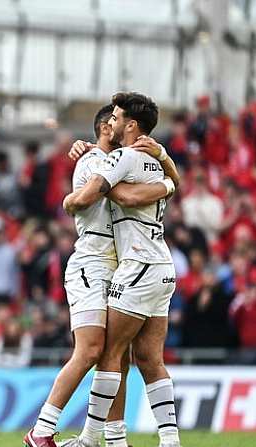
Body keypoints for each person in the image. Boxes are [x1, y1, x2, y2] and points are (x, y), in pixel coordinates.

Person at [25, 103, 179, 447]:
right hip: (92, 264)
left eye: (118, 118)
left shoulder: (123, 161)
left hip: (124, 266)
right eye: (111, 119)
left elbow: (107, 192)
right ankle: (43, 430)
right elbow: (89, 198)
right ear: (105, 129)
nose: (115, 123)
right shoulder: (95, 162)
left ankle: (113, 439)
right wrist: (71, 199)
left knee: (118, 354)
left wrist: (165, 174)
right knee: (94, 350)